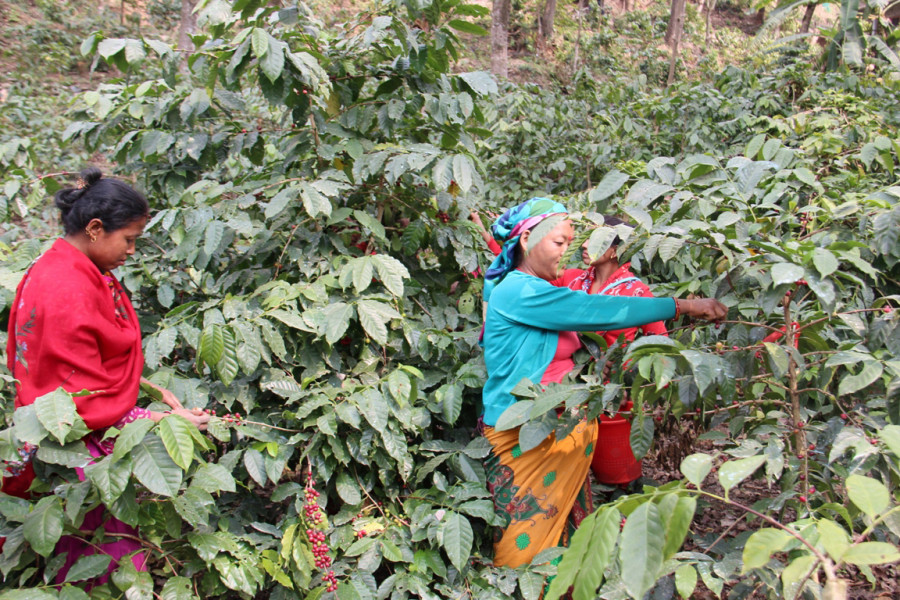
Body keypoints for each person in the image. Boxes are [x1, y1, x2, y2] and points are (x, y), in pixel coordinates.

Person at [481, 198, 726, 568]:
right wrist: (684, 306)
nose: (568, 253)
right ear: (528, 238)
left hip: (558, 424)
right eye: (559, 243)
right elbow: (598, 312)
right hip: (525, 430)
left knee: (560, 539)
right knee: (522, 544)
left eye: (570, 243)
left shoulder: (540, 285)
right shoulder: (520, 290)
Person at [3, 167, 209, 584]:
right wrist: (164, 422)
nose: (131, 251)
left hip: (53, 441)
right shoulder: (66, 286)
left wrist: (149, 391)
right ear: (96, 229)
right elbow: (79, 400)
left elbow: (88, 366)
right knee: (103, 560)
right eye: (129, 239)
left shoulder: (64, 268)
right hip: (70, 452)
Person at [559, 216, 667, 346]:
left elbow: (661, 343)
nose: (584, 245)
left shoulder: (638, 293)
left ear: (615, 251)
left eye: (594, 241)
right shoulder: (570, 278)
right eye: (586, 238)